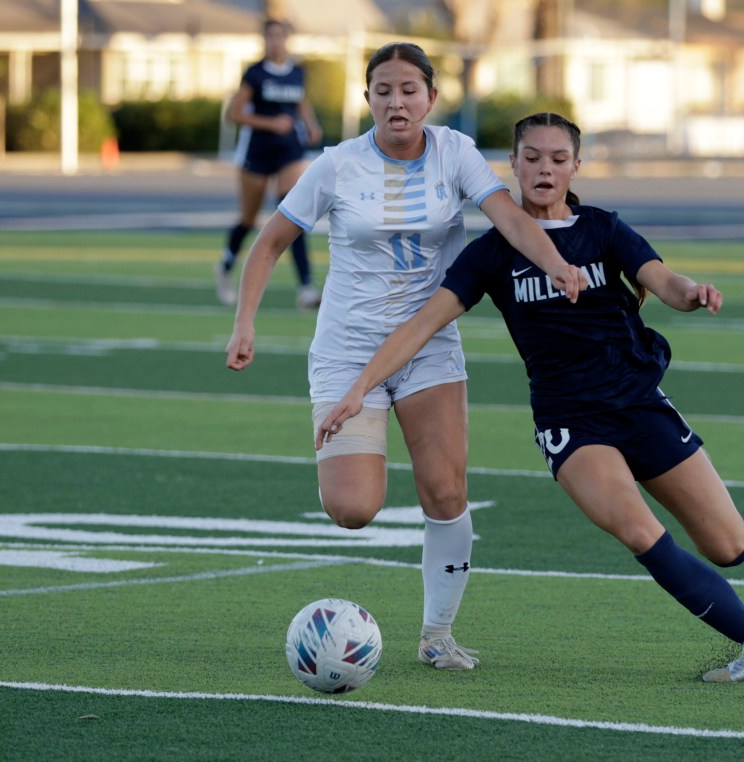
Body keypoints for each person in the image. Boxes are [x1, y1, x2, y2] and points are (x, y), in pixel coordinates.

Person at [316, 112, 744, 683]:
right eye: (533, 158)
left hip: (638, 402)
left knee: (728, 544)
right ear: (511, 166)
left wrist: (693, 293)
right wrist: (358, 390)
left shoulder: (603, 228)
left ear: (576, 166)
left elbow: (664, 281)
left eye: (558, 158)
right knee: (641, 532)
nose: (545, 168)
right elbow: (420, 327)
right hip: (571, 422)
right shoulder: (493, 252)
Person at [225, 46, 588, 671]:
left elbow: (507, 218)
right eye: (384, 90)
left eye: (409, 90)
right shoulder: (336, 165)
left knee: (446, 491)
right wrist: (245, 323)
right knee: (353, 510)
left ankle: (436, 635)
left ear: (431, 97)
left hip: (429, 346)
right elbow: (269, 244)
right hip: (347, 351)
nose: (397, 102)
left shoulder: (455, 152)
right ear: (367, 98)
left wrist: (556, 263)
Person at [216, 19, 323, 309]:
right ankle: (225, 269)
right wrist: (270, 123)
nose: (276, 42)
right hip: (257, 152)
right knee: (249, 220)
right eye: (271, 37)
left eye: (281, 36)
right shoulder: (255, 74)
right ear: (264, 40)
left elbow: (301, 103)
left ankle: (306, 288)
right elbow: (235, 114)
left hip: (289, 151)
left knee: (292, 215)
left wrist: (311, 125)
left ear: (288, 39)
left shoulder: (297, 73)